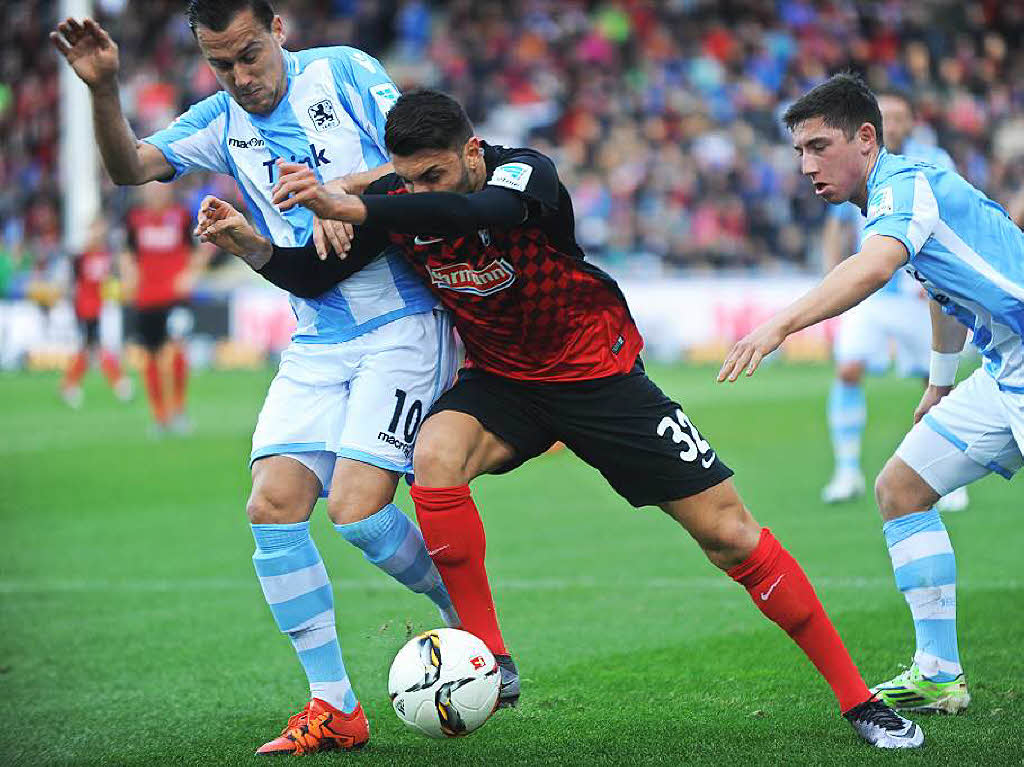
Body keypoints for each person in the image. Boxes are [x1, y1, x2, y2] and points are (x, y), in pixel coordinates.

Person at [196, 88, 925, 749]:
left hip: (599, 379)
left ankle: (858, 698)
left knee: (730, 535)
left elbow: (482, 212)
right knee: (433, 454)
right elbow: (310, 274)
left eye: (434, 176)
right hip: (504, 385)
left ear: (472, 154)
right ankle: (489, 651)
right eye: (407, 178)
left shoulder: (524, 174)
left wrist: (363, 202)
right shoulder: (400, 202)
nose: (419, 191)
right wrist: (251, 245)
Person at [50, 2, 492, 755]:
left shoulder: (344, 72)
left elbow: (419, 161)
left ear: (279, 28)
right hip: (319, 336)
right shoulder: (220, 121)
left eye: (251, 53)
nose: (242, 75)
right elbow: (128, 168)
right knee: (272, 503)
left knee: (356, 512)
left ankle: (477, 628)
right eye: (222, 63)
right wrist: (101, 88)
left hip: (403, 322)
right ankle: (335, 706)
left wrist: (342, 195)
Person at [719, 73, 1024, 714]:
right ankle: (939, 673)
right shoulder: (892, 200)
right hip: (1005, 371)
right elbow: (942, 293)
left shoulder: (905, 185)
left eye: (818, 146)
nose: (806, 166)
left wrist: (779, 324)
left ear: (865, 138)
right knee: (900, 489)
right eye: (799, 152)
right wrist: (941, 380)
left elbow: (877, 266)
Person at [820, 91, 967, 514]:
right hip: (871, 290)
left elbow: (953, 212)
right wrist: (834, 275)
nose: (894, 124)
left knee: (935, 383)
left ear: (912, 120)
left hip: (920, 294)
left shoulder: (933, 158)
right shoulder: (858, 161)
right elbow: (837, 225)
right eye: (888, 117)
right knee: (847, 369)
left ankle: (947, 476)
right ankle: (846, 470)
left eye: (901, 117)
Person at [121, 183, 207, 434]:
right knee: (151, 356)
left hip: (175, 297)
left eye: (160, 189)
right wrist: (129, 277)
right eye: (151, 189)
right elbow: (128, 253)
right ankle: (160, 417)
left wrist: (190, 275)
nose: (156, 193)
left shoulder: (180, 216)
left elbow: (199, 250)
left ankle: (178, 411)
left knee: (177, 347)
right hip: (146, 298)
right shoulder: (135, 219)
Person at [61, 217, 133, 408]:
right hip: (85, 308)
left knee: (90, 349)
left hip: (101, 307)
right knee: (94, 347)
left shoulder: (107, 256)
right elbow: (72, 284)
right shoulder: (81, 257)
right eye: (95, 230)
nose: (98, 234)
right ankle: (119, 384)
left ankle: (70, 385)